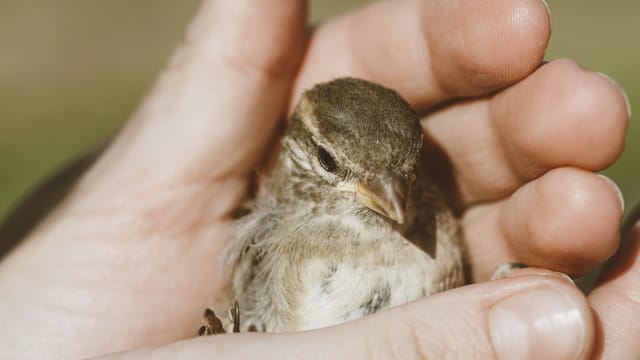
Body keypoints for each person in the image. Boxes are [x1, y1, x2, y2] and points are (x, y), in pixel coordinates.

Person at [0, 0, 635, 358]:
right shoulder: (279, 242)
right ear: (304, 154)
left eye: (403, 175)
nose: (390, 199)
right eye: (335, 167)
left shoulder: (432, 218)